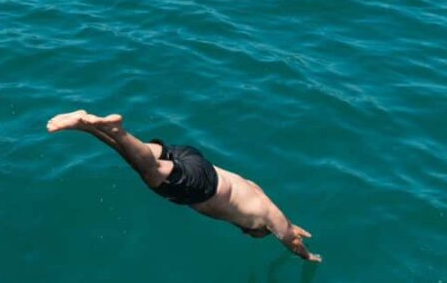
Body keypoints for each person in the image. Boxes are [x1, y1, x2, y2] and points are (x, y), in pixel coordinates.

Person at [47, 110, 322, 263]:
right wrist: (309, 257)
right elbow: (290, 239)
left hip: (195, 161)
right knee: (150, 173)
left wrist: (291, 227)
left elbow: (286, 227)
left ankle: (86, 124)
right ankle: (118, 129)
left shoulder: (263, 200)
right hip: (203, 186)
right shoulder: (268, 217)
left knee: (141, 158)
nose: (250, 235)